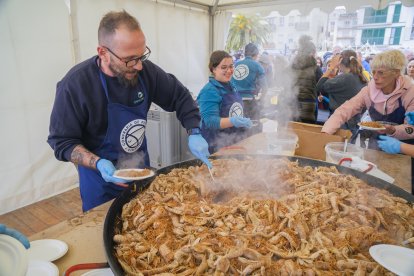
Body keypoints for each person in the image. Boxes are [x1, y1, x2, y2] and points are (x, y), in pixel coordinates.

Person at [47, 10, 210, 212]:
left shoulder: (146, 72)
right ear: (103, 52)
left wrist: (194, 131)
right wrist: (97, 163)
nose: (139, 65)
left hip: (141, 172)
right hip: (100, 183)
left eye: (142, 55)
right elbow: (62, 142)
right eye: (130, 59)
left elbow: (180, 96)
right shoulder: (76, 85)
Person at [322, 49, 414, 149]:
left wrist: (393, 130)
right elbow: (344, 110)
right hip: (376, 145)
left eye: (381, 73)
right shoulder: (369, 91)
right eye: (373, 72)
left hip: (403, 149)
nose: (375, 77)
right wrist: (326, 132)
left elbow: (411, 129)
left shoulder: (410, 93)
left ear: (396, 73)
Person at [197, 51, 252, 153]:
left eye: (231, 66)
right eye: (224, 67)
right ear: (213, 69)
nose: (229, 70)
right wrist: (233, 121)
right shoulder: (209, 91)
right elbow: (210, 121)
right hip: (216, 146)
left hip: (234, 142)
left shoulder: (231, 85)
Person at [316, 50, 368, 132]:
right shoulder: (361, 77)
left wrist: (331, 68)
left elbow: (319, 86)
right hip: (354, 121)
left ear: (340, 62)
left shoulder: (345, 78)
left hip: (342, 123)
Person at [291, 35, 323, 124]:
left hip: (293, 104)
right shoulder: (316, 69)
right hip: (309, 107)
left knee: (293, 131)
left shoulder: (292, 66)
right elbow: (322, 87)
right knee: (307, 132)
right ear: (311, 53)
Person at [232, 43, 267, 122]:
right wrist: (261, 100)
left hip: (234, 101)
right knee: (252, 127)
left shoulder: (236, 64)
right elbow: (265, 87)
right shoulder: (257, 66)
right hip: (248, 102)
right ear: (256, 54)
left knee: (237, 127)